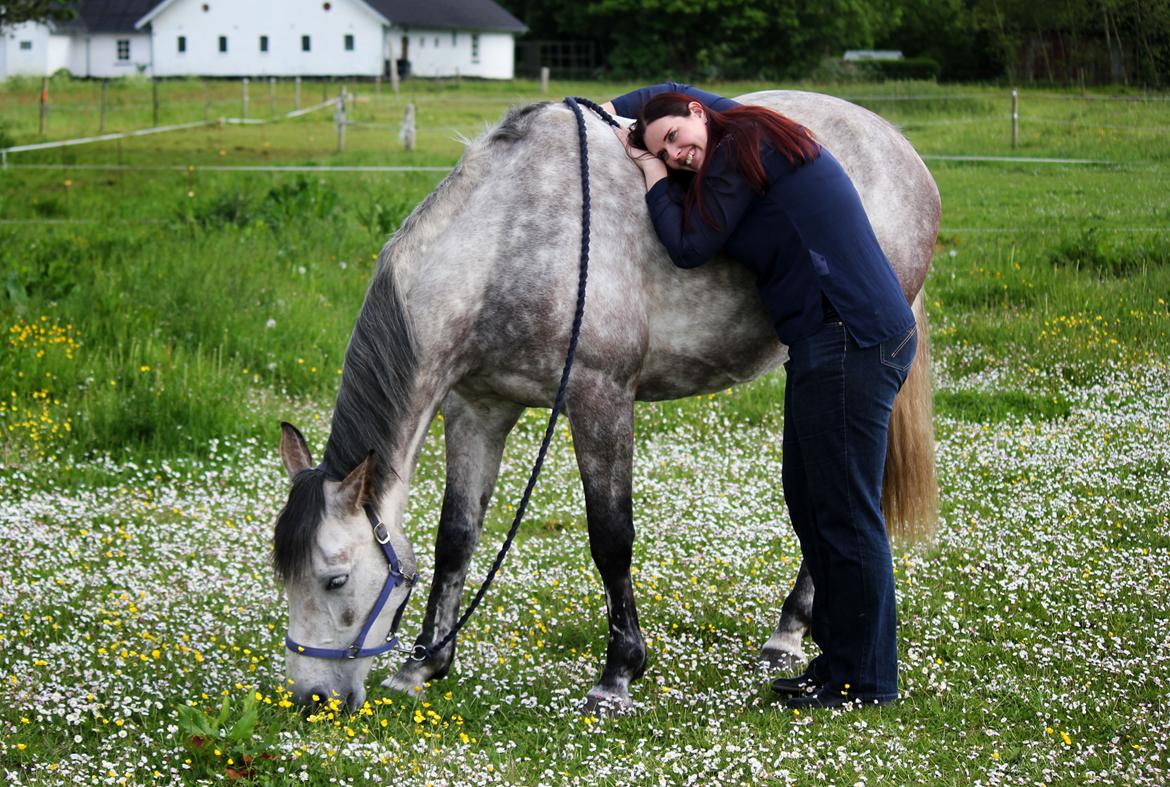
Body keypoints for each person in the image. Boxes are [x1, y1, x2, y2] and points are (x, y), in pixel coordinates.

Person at [602, 83, 917, 709]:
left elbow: (689, 248)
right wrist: (612, 108)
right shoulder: (737, 129)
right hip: (826, 341)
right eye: (665, 151)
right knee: (810, 501)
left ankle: (868, 681)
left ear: (698, 115)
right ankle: (838, 663)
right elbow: (673, 91)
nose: (677, 155)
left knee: (844, 513)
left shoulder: (739, 148)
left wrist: (648, 171)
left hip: (851, 337)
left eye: (675, 140)